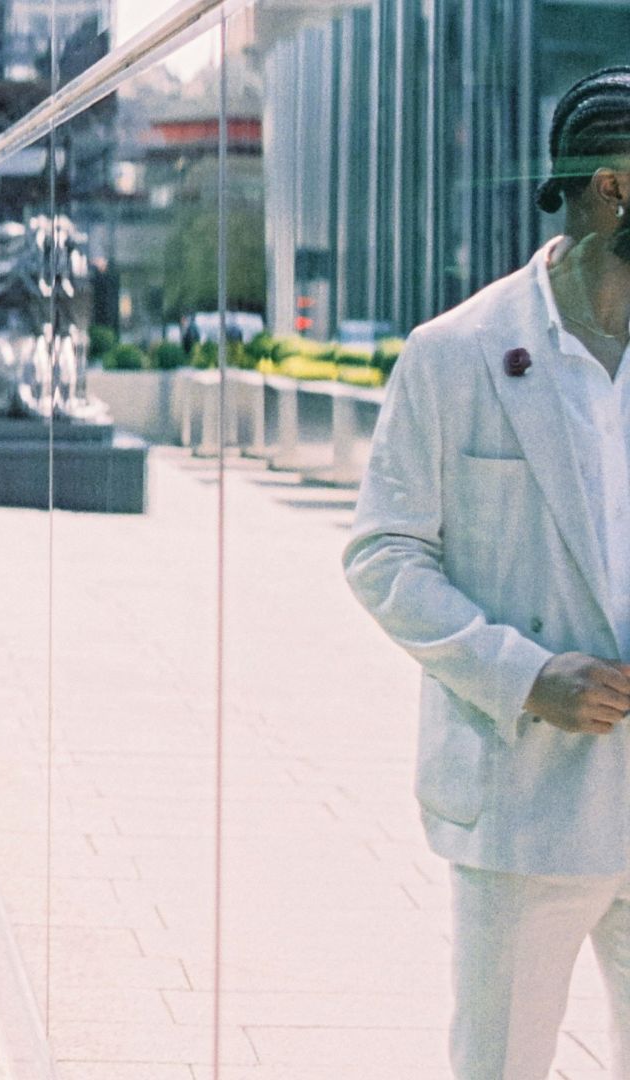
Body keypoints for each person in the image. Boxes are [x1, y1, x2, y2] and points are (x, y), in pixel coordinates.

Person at [345, 66, 630, 1080]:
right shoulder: (458, 352)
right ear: (613, 186)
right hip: (522, 804)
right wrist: (522, 675)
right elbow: (383, 553)